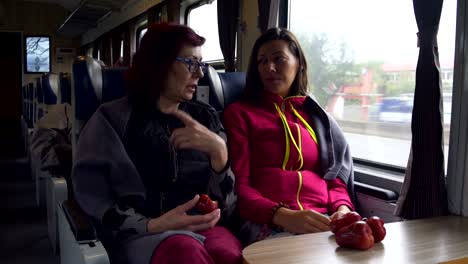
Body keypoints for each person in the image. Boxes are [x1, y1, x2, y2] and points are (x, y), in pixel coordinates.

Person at [72, 23, 242, 264]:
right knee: (185, 253)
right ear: (158, 64)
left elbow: (228, 209)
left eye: (201, 64)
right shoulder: (110, 119)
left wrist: (220, 154)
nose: (200, 74)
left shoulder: (207, 118)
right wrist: (153, 224)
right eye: (191, 63)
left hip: (203, 228)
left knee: (230, 255)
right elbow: (93, 197)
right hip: (142, 234)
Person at [223, 27, 356, 245]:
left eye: (279, 59)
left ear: (299, 64)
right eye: (262, 62)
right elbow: (239, 188)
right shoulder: (239, 114)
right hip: (266, 220)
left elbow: (334, 180)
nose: (270, 68)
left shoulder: (317, 118)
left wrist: (342, 209)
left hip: (323, 220)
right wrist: (283, 216)